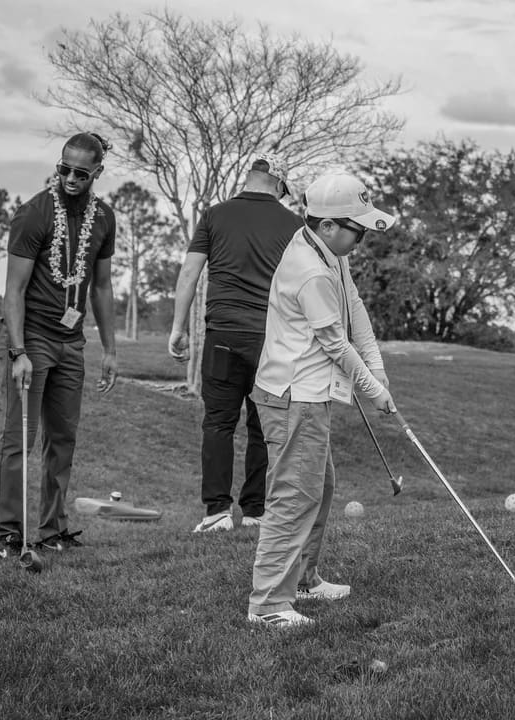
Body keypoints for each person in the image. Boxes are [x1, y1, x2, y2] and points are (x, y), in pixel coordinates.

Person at [247, 171, 396, 629]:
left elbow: (356, 314)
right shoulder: (310, 270)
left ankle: (305, 578)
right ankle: (268, 604)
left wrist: (380, 373)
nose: (364, 237)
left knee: (320, 487)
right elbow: (336, 343)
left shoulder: (326, 250)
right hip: (295, 396)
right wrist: (374, 392)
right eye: (359, 229)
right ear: (328, 224)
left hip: (307, 394)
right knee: (294, 495)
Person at [0, 132, 119, 559]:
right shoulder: (33, 213)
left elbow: (101, 288)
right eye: (64, 168)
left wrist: (111, 350)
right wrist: (18, 351)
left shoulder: (105, 217)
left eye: (81, 173)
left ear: (97, 173)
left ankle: (51, 529)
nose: (69, 178)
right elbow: (13, 291)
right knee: (18, 439)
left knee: (62, 440)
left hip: (72, 343)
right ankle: (10, 534)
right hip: (33, 340)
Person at [169, 152, 304, 533]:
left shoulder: (214, 215)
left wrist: (178, 328)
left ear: (249, 176)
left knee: (218, 424)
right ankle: (256, 511)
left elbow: (189, 274)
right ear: (279, 184)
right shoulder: (295, 225)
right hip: (271, 341)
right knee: (262, 426)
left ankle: (216, 512)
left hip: (223, 334)